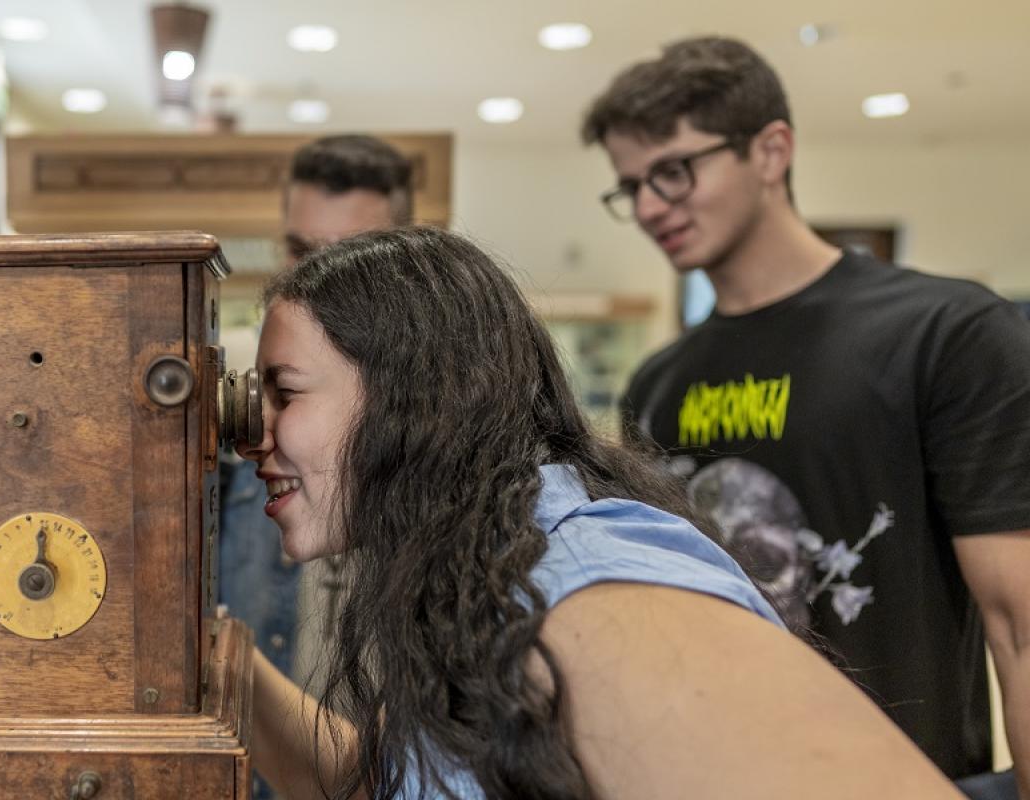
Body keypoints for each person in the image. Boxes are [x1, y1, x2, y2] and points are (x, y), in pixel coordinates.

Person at [237, 226, 960, 799]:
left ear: (409, 400)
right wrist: (219, 657)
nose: (253, 438)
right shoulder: (480, 581)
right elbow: (389, 780)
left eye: (286, 393)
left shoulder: (591, 587)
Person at [581, 36, 1030, 794]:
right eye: (632, 187)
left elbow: (1017, 619)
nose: (652, 206)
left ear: (771, 150)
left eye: (673, 170)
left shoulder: (944, 332)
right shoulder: (660, 381)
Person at [220, 134, 413, 686]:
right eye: (303, 251)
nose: (322, 278)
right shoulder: (225, 380)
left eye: (354, 254)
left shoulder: (441, 415)